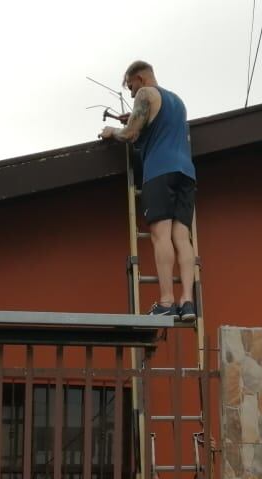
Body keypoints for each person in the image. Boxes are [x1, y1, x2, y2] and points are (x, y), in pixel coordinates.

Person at [99, 60, 199, 322]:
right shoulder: (178, 102)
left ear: (140, 79)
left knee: (160, 235)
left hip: (160, 171)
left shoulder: (146, 94)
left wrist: (112, 131)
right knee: (182, 236)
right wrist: (135, 119)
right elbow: (155, 128)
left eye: (131, 87)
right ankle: (187, 301)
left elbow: (131, 134)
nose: (132, 95)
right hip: (186, 173)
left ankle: (166, 301)